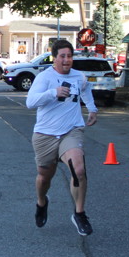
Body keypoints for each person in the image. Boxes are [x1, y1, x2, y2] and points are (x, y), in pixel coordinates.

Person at [26, 39, 98, 236]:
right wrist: (53, 92)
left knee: (79, 169)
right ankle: (42, 202)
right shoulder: (45, 78)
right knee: (44, 177)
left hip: (71, 131)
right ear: (54, 58)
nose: (67, 60)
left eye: (70, 56)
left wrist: (92, 109)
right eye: (62, 56)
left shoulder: (78, 76)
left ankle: (79, 214)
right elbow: (30, 102)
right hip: (45, 135)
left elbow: (86, 88)